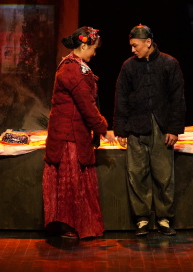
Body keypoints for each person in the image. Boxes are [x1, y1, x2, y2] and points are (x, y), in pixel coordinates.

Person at [43, 26, 116, 239]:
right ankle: (68, 224)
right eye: (93, 48)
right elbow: (86, 105)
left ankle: (72, 224)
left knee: (75, 183)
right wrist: (103, 129)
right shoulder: (72, 69)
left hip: (73, 133)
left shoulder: (75, 66)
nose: (94, 53)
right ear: (83, 46)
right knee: (71, 184)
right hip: (68, 137)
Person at [113, 24, 186, 236]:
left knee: (164, 175)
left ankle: (164, 218)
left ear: (148, 42)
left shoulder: (169, 63)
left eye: (135, 45)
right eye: (131, 45)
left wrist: (174, 129)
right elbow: (121, 97)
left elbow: (178, 98)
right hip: (136, 127)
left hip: (161, 127)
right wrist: (120, 129)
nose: (132, 49)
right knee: (137, 174)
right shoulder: (129, 66)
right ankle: (142, 218)